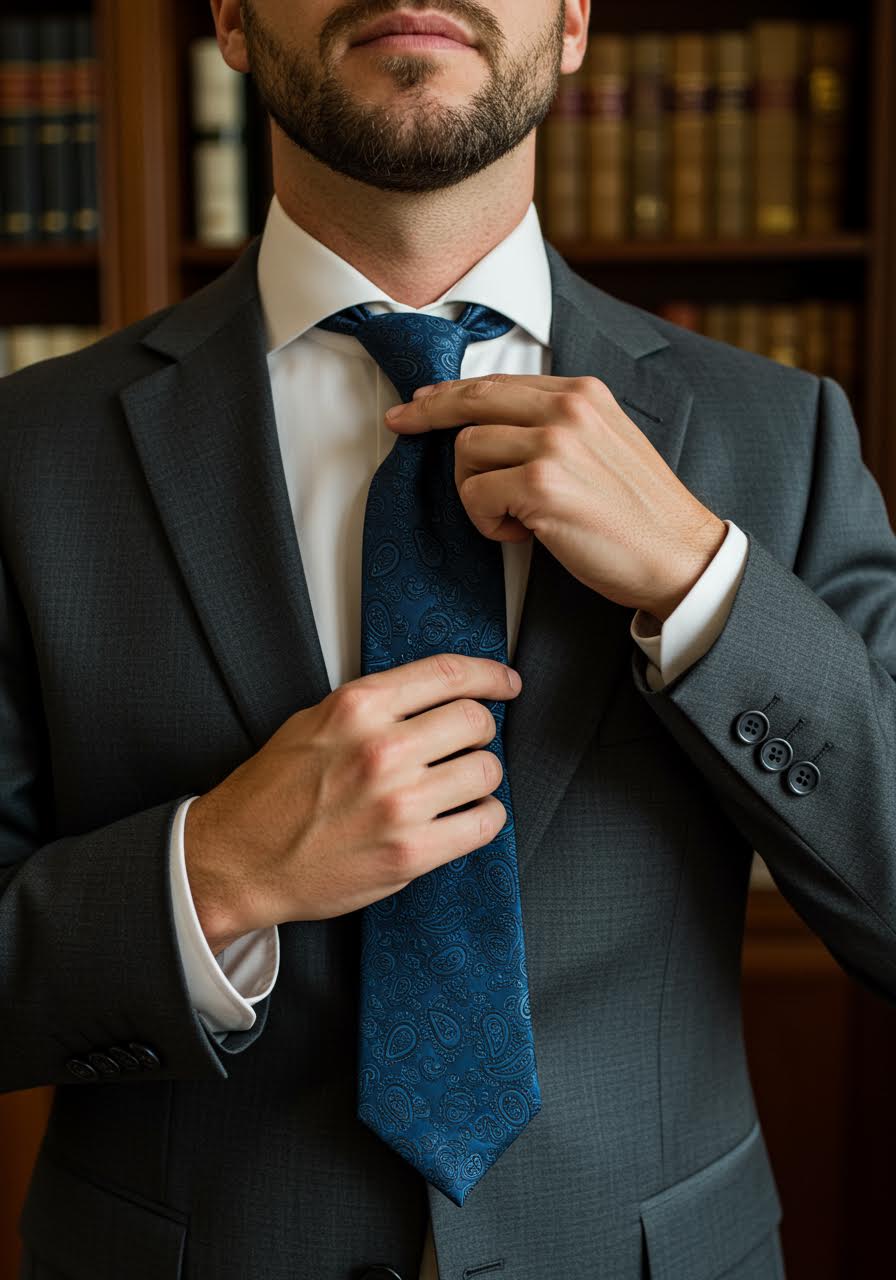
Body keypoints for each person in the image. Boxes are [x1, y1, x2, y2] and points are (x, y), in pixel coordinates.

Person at [3, 0, 896, 1276]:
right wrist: (214, 876)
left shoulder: (778, 437)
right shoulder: (26, 454)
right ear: (231, 21)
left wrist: (705, 587)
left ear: (575, 18)